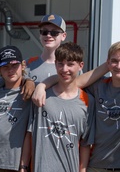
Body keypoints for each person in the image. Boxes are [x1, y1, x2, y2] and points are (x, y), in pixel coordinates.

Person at [32, 41, 120, 171]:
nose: (118, 66)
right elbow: (72, 82)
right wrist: (42, 85)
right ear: (107, 63)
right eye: (114, 61)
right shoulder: (98, 87)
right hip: (96, 164)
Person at [29, 42, 94, 172]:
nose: (64, 69)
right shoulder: (40, 96)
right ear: (55, 64)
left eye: (70, 64)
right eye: (60, 63)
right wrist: (23, 167)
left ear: (81, 65)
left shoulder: (88, 101)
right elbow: (28, 135)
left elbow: (85, 144)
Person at [26, 14, 67, 83]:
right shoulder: (27, 64)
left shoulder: (70, 67)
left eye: (54, 32)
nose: (48, 35)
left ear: (63, 36)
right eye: (44, 32)